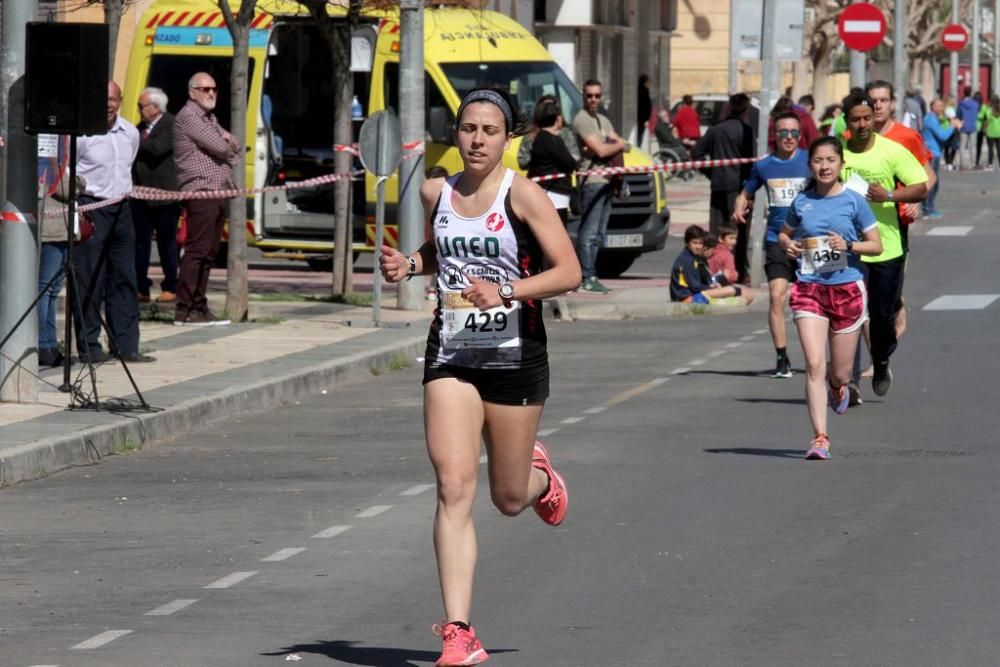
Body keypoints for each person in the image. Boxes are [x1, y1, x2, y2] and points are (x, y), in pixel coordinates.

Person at [377, 87, 580, 667]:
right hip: (452, 349)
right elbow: (439, 251)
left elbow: (569, 271)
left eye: (489, 131)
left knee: (508, 498)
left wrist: (508, 289)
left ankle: (541, 479)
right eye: (469, 129)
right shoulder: (435, 190)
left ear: (507, 137)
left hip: (516, 353)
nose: (477, 140)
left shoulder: (526, 196)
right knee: (453, 485)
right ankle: (459, 633)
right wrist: (410, 264)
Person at [777, 136, 883, 460]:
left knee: (838, 373)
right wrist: (787, 245)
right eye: (818, 161)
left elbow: (876, 245)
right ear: (810, 166)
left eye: (830, 160)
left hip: (846, 289)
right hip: (809, 288)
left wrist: (848, 246)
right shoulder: (802, 201)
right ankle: (820, 437)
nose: (824, 166)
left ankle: (839, 388)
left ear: (841, 164)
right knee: (813, 364)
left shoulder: (854, 201)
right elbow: (784, 232)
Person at [841, 91, 928, 398]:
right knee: (849, 312)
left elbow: (920, 186)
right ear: (846, 121)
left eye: (867, 117)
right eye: (856, 119)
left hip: (886, 247)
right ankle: (849, 381)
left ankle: (880, 360)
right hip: (847, 249)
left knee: (881, 315)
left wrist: (889, 196)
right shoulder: (837, 152)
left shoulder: (891, 151)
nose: (863, 124)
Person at [73, 81, 153, 364]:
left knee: (124, 277)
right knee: (90, 278)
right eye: (103, 98)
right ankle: (89, 346)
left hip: (122, 209)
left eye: (113, 99)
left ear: (121, 100)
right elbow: (69, 170)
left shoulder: (130, 133)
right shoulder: (82, 134)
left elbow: (128, 167)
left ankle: (126, 345)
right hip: (91, 207)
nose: (108, 104)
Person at [731, 111, 810, 378]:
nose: (789, 138)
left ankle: (821, 356)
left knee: (815, 302)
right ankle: (782, 358)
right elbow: (746, 192)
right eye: (783, 133)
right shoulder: (764, 166)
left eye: (794, 133)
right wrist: (739, 206)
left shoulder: (812, 160)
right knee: (777, 296)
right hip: (776, 239)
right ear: (774, 135)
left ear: (800, 135)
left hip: (810, 241)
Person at [172, 72, 239, 326]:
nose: (211, 93)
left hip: (219, 190)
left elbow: (237, 145)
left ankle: (199, 306)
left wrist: (228, 142)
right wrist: (226, 143)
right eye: (205, 89)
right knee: (197, 250)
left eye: (214, 89)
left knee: (210, 252)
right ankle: (185, 308)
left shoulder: (209, 118)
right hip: (201, 191)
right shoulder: (190, 116)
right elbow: (223, 147)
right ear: (192, 92)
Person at [572, 79, 630, 294]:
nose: (593, 99)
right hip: (593, 181)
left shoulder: (603, 119)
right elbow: (602, 151)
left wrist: (614, 143)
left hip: (609, 180)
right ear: (583, 97)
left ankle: (592, 274)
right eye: (589, 96)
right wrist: (615, 144)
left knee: (599, 234)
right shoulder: (582, 120)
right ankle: (586, 277)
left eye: (597, 95)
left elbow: (623, 144)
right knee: (588, 233)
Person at [692, 93, 756, 282]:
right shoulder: (746, 131)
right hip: (739, 189)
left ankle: (712, 270)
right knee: (739, 233)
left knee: (716, 232)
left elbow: (696, 153)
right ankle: (740, 272)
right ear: (746, 110)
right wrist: (749, 192)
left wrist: (711, 172)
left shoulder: (715, 130)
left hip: (719, 186)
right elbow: (750, 163)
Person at [132, 86, 180, 305]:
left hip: (164, 196)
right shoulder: (140, 127)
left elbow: (157, 148)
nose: (139, 110)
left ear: (156, 107)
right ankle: (141, 287)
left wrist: (131, 139)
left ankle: (171, 285)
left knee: (166, 243)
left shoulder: (172, 125)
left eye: (142, 106)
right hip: (140, 195)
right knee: (139, 244)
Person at [527, 98, 578, 224]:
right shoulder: (554, 140)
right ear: (557, 119)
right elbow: (570, 164)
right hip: (556, 194)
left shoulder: (538, 139)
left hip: (542, 192)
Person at [670, 225, 751, 304]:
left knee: (746, 293)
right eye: (694, 243)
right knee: (732, 290)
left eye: (700, 243)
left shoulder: (694, 257)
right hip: (686, 299)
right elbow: (695, 287)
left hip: (693, 294)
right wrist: (713, 287)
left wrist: (716, 284)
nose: (698, 247)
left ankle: (729, 300)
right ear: (687, 243)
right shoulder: (687, 260)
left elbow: (704, 280)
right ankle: (725, 302)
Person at [516, 94, 579, 171]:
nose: (548, 112)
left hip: (562, 179)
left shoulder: (565, 133)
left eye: (552, 108)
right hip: (539, 178)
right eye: (545, 108)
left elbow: (575, 158)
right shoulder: (532, 136)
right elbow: (522, 162)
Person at [920, 98, 958, 218]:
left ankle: (928, 208)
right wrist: (952, 126)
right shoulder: (931, 120)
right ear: (933, 107)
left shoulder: (931, 118)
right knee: (932, 183)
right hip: (932, 154)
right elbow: (943, 136)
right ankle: (928, 209)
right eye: (940, 106)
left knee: (933, 183)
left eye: (942, 106)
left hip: (933, 153)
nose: (942, 108)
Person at [956, 87, 979, 170]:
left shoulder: (961, 104)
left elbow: (958, 114)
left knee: (962, 146)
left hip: (963, 126)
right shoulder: (975, 104)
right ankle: (973, 163)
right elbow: (976, 113)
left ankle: (962, 163)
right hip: (973, 126)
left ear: (964, 93)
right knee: (973, 146)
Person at [982, 95, 1000, 170]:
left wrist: (984, 130)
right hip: (999, 132)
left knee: (991, 149)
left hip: (990, 132)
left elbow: (985, 121)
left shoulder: (988, 110)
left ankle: (990, 164)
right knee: (999, 149)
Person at [637, 74, 653, 149]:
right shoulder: (644, 91)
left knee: (640, 135)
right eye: (648, 81)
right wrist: (646, 119)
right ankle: (638, 148)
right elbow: (646, 106)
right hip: (642, 118)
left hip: (641, 117)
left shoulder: (640, 90)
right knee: (640, 135)